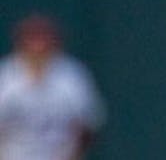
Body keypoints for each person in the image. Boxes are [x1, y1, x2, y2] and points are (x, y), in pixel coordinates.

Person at [0, 14, 106, 160]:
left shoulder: (71, 75)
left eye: (43, 41)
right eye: (32, 40)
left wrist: (73, 155)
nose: (38, 48)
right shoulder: (6, 76)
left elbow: (89, 124)